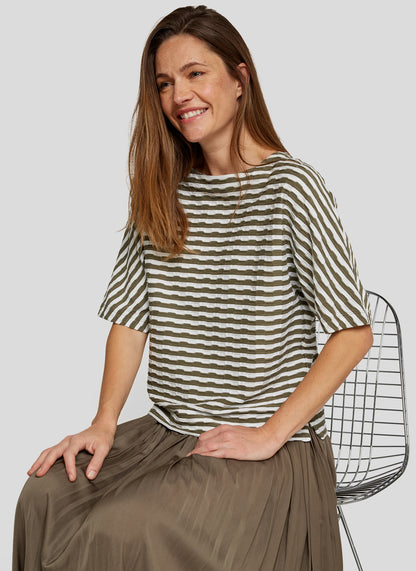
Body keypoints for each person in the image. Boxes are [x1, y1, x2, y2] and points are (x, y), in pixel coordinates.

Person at [13, 5, 374, 570]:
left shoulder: (292, 187)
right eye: (164, 83)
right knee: (44, 496)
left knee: (121, 531)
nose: (179, 95)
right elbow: (130, 319)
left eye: (195, 73)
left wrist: (269, 435)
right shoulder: (164, 190)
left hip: (266, 447)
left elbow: (352, 333)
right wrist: (103, 423)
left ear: (239, 79)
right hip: (168, 433)